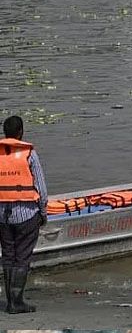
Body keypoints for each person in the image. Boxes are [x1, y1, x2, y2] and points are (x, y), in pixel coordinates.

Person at [0, 115, 48, 315]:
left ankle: (11, 301)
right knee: (22, 258)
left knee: (8, 257)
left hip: (2, 215)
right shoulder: (29, 154)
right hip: (27, 215)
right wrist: (43, 213)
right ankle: (16, 302)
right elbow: (41, 189)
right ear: (20, 132)